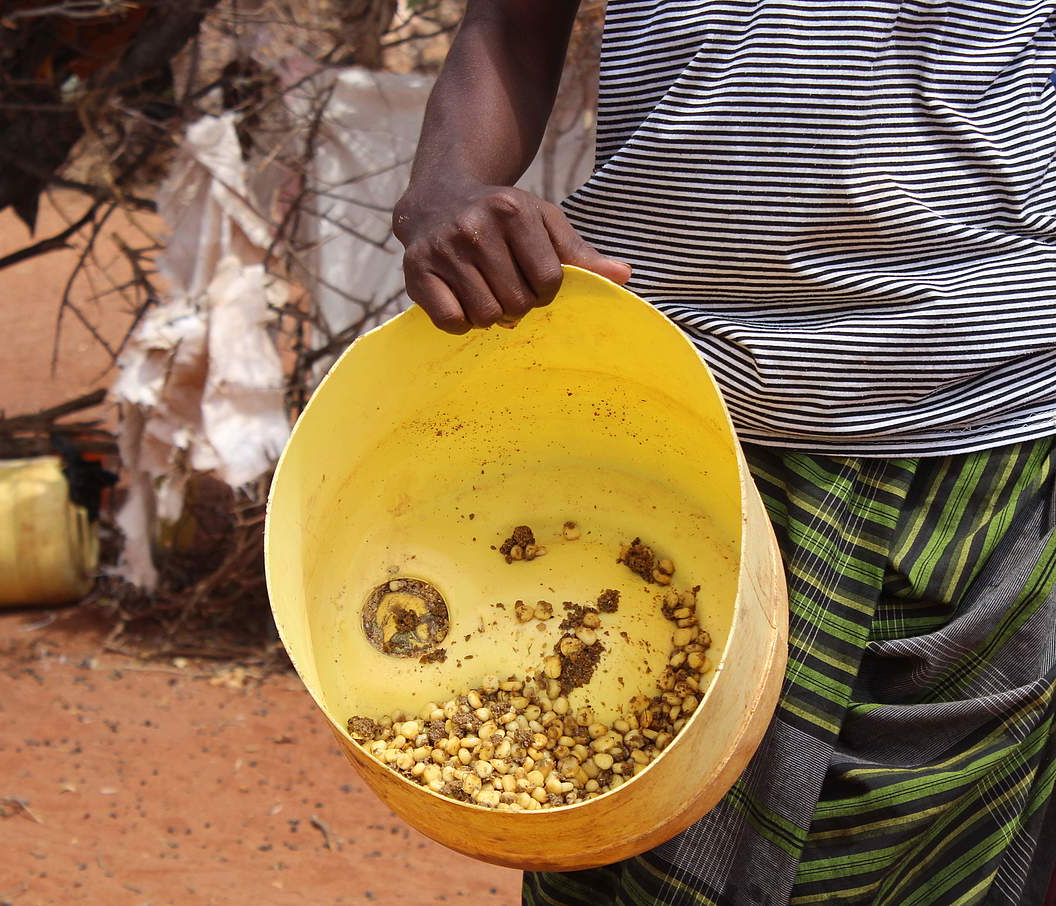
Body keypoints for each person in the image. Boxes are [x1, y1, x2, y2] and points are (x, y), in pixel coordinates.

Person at [391, 2, 1056, 904]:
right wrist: (441, 185)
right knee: (608, 810)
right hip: (644, 420)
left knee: (918, 859)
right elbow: (512, 21)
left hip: (968, 427)